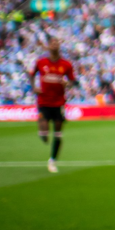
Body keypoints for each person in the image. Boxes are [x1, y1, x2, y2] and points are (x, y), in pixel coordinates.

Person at [29, 38, 76, 173]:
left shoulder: (66, 64)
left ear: (59, 46)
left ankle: (53, 160)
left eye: (57, 43)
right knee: (44, 134)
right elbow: (31, 75)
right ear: (48, 46)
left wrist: (67, 84)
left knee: (58, 134)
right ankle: (41, 128)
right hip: (44, 101)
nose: (55, 45)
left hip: (59, 102)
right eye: (52, 43)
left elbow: (73, 81)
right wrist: (34, 87)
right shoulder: (41, 62)